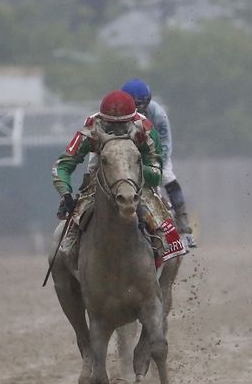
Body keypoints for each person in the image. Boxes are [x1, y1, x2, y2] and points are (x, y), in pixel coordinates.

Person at [52, 89, 186, 263]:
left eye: (122, 125)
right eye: (111, 126)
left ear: (132, 119)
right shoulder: (92, 128)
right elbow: (63, 165)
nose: (117, 130)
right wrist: (66, 194)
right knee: (71, 232)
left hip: (137, 177)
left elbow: (156, 174)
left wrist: (134, 168)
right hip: (102, 173)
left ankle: (168, 244)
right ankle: (73, 239)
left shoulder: (145, 129)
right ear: (103, 120)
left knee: (161, 218)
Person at [121, 78, 196, 248]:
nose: (137, 112)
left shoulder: (158, 114)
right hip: (126, 156)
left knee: (169, 178)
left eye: (140, 107)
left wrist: (156, 167)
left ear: (147, 103)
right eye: (133, 107)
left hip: (155, 154)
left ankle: (184, 226)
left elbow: (165, 144)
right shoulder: (117, 114)